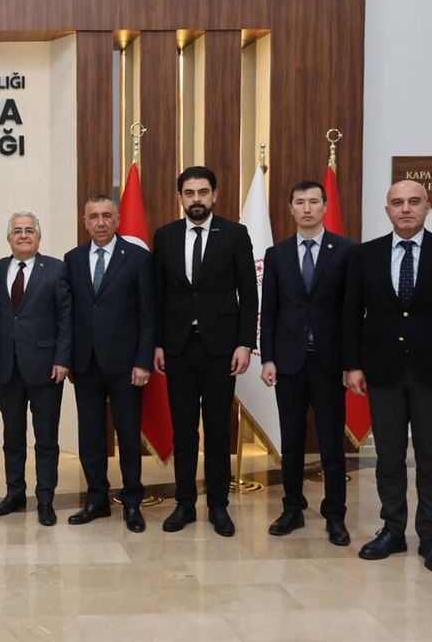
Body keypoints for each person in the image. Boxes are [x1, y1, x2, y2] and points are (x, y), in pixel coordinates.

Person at [342, 180, 432, 574]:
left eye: (414, 202)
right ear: (387, 209)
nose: (406, 209)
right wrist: (352, 365)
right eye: (397, 202)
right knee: (388, 457)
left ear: (427, 207)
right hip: (381, 372)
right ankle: (393, 530)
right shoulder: (365, 255)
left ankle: (430, 536)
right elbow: (350, 315)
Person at [152, 165, 257, 538]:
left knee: (217, 431)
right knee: (183, 431)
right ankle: (184, 503)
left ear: (215, 195)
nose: (196, 199)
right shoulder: (165, 236)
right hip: (178, 348)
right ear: (180, 197)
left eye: (202, 192)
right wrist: (158, 343)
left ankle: (218, 505)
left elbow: (249, 293)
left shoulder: (235, 234)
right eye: (189, 193)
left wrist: (245, 343)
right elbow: (157, 295)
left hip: (220, 349)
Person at [259, 180, 354, 546]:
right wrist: (268, 358)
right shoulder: (277, 254)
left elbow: (351, 311)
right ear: (291, 209)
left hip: (329, 362)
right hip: (289, 363)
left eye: (314, 201)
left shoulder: (346, 251)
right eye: (300, 202)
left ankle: (335, 513)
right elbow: (270, 311)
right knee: (292, 441)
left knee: (331, 443)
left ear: (325, 206)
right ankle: (292, 508)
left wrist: (351, 362)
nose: (308, 208)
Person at [64, 194, 154, 533]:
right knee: (90, 434)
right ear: (84, 222)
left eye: (106, 216)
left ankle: (132, 502)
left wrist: (143, 361)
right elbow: (68, 314)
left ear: (117, 220)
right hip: (85, 363)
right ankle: (97, 499)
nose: (100, 222)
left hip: (126, 365)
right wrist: (68, 359)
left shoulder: (138, 258)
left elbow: (148, 314)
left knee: (128, 435)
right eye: (94, 217)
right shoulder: (72, 259)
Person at [0, 211, 72, 527]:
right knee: (12, 436)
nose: (23, 236)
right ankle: (15, 494)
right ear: (8, 238)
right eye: (17, 231)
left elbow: (66, 318)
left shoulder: (56, 269)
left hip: (46, 368)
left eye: (29, 231)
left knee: (46, 438)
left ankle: (45, 499)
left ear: (39, 236)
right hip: (6, 369)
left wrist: (62, 359)